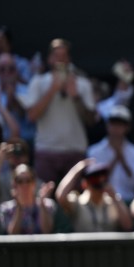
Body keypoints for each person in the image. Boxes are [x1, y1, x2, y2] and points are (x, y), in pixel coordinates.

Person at [18, 38, 97, 185]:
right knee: (44, 199)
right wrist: (52, 90)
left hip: (75, 151)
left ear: (69, 59)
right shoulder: (38, 83)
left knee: (74, 202)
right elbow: (31, 116)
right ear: (49, 59)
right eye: (56, 56)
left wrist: (76, 98)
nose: (60, 60)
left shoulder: (83, 84)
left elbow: (91, 121)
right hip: (46, 151)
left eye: (64, 56)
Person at [55, 158, 133, 233]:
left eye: (104, 177)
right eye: (95, 179)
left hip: (109, 246)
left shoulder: (113, 201)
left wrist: (114, 197)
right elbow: (61, 196)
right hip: (84, 245)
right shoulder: (78, 202)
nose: (100, 181)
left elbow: (128, 226)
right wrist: (77, 169)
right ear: (85, 184)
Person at [87, 104, 134, 204]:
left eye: (120, 124)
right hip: (102, 203)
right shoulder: (94, 151)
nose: (116, 128)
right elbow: (95, 182)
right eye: (113, 123)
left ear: (127, 127)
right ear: (107, 125)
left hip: (128, 201)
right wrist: (115, 159)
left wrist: (122, 160)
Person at [0, 163, 55, 235]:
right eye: (20, 181)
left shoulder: (47, 205)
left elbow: (47, 231)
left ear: (34, 183)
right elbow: (12, 234)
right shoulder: (6, 208)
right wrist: (19, 207)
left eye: (28, 180)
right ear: (14, 185)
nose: (25, 185)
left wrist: (42, 204)